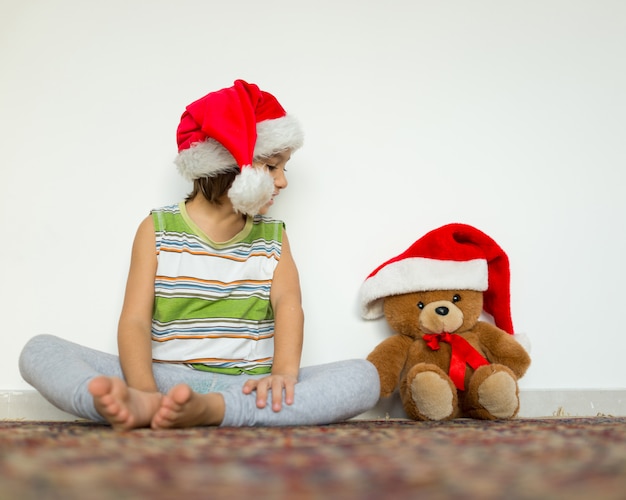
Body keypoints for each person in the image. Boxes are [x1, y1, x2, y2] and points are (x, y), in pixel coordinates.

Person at [19, 79, 380, 430]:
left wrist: (282, 376)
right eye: (271, 166)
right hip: (161, 379)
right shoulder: (157, 229)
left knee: (363, 377)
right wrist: (144, 388)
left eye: (285, 167)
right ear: (227, 164)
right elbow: (135, 321)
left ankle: (213, 410)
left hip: (244, 387)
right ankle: (141, 405)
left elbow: (289, 306)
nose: (283, 181)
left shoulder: (273, 237)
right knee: (40, 350)